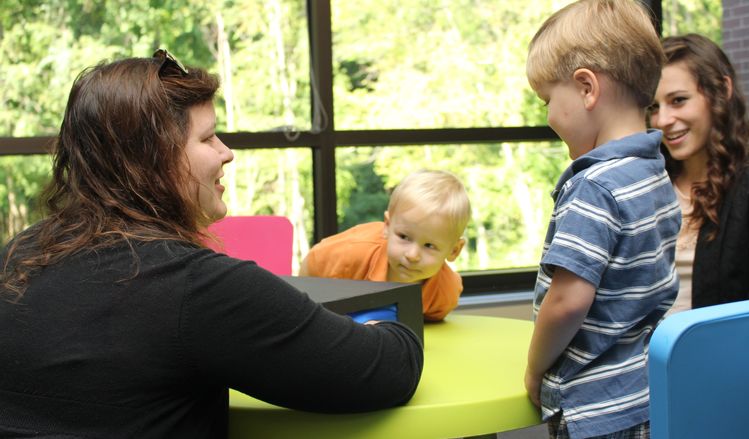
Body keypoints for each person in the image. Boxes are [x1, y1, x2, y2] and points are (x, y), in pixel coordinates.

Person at [0, 50, 423, 439]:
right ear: (152, 160)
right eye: (207, 139)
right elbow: (390, 370)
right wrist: (376, 329)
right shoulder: (196, 287)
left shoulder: (17, 256)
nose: (226, 153)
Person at [523, 1, 681, 438]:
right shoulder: (653, 172)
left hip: (592, 405)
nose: (549, 117)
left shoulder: (594, 185)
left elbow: (568, 301)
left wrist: (535, 366)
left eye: (548, 101)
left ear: (587, 88)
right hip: (643, 393)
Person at [648, 33, 749, 313]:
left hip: (723, 355)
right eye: (653, 107)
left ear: (722, 90)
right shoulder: (647, 185)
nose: (663, 120)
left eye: (679, 100)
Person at [299, 169, 470, 321]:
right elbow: (312, 264)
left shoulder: (445, 293)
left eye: (429, 246)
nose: (412, 255)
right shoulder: (352, 254)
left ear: (454, 251)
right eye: (404, 236)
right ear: (387, 226)